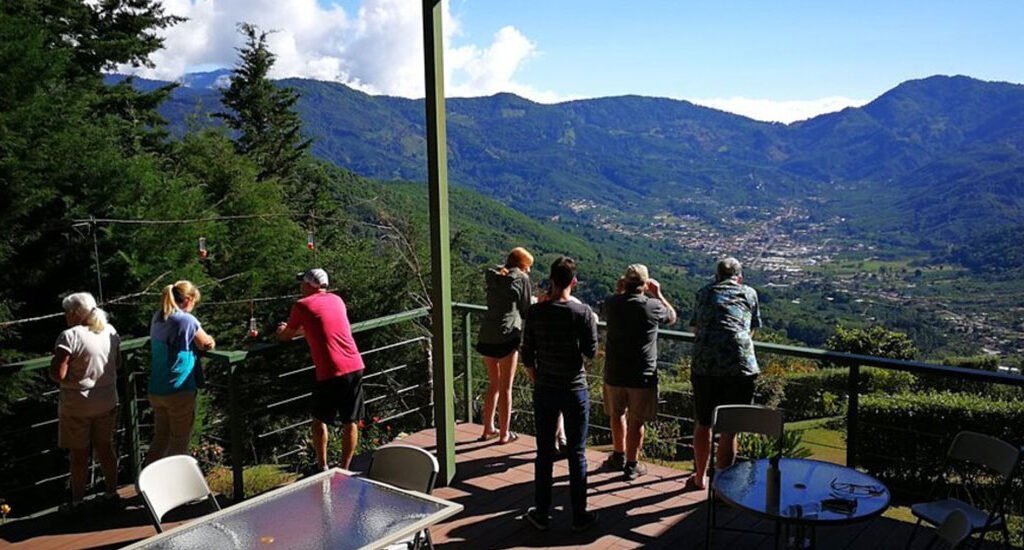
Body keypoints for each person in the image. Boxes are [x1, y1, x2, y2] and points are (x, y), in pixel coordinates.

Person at [521, 256, 599, 532]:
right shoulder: (583, 313)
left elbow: (526, 353)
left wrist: (537, 379)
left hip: (545, 388)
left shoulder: (536, 312)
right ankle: (580, 515)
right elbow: (590, 352)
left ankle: (541, 513)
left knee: (544, 453)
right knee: (577, 453)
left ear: (551, 280)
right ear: (573, 282)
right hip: (575, 388)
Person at [277, 268, 365, 471]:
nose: (300, 287)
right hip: (354, 364)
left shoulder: (301, 305)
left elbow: (286, 336)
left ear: (309, 285)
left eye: (302, 283)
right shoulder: (337, 300)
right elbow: (320, 324)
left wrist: (282, 330)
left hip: (330, 369)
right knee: (349, 420)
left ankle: (322, 466)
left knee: (318, 420)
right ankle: (345, 467)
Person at [689, 257, 761, 489]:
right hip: (740, 366)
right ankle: (723, 487)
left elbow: (696, 327)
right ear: (738, 278)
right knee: (730, 429)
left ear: (716, 277)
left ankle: (700, 477)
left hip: (705, 365)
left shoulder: (704, 293)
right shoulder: (749, 293)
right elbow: (751, 329)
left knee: (703, 422)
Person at [601, 264, 677, 480]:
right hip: (642, 373)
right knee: (637, 421)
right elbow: (672, 316)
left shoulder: (612, 302)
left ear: (624, 282)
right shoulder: (653, 306)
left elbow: (606, 308)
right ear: (644, 284)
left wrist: (619, 291)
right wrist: (658, 292)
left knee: (617, 415)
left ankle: (618, 455)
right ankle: (632, 465)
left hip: (614, 371)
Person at [50, 292, 121, 508]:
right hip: (107, 400)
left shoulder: (69, 336)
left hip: (77, 405)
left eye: (66, 312)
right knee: (106, 448)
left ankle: (77, 502)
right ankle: (111, 493)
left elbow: (59, 374)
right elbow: (116, 363)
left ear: (74, 313)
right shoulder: (110, 331)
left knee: (79, 454)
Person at [147, 281, 215, 465]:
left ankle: (144, 484)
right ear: (188, 299)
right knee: (179, 442)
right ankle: (174, 488)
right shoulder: (186, 319)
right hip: (179, 388)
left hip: (157, 388)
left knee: (160, 439)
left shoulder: (159, 316)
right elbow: (205, 343)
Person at [475, 247, 534, 444]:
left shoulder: (494, 276)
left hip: (486, 335)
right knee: (506, 388)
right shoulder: (521, 279)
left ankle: (487, 429)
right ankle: (504, 434)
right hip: (507, 335)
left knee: (493, 384)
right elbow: (526, 310)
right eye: (529, 267)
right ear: (523, 265)